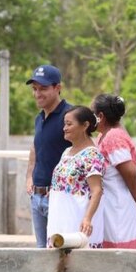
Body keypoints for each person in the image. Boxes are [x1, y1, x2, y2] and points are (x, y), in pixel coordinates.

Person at [25, 65, 72, 248]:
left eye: (43, 88)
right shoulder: (40, 118)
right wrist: (29, 176)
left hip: (59, 197)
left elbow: (83, 152)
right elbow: (36, 145)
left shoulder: (70, 116)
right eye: (35, 89)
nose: (38, 94)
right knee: (41, 252)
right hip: (37, 196)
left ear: (57, 87)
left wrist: (63, 185)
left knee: (61, 251)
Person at [46, 106, 105, 247]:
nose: (64, 128)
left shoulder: (92, 155)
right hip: (59, 218)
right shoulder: (67, 152)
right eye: (64, 124)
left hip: (77, 220)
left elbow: (97, 190)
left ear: (85, 125)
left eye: (69, 124)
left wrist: (87, 219)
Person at [92, 94, 136, 249]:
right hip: (110, 206)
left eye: (92, 113)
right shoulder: (104, 135)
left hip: (118, 207)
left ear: (100, 116)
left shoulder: (113, 137)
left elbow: (130, 173)